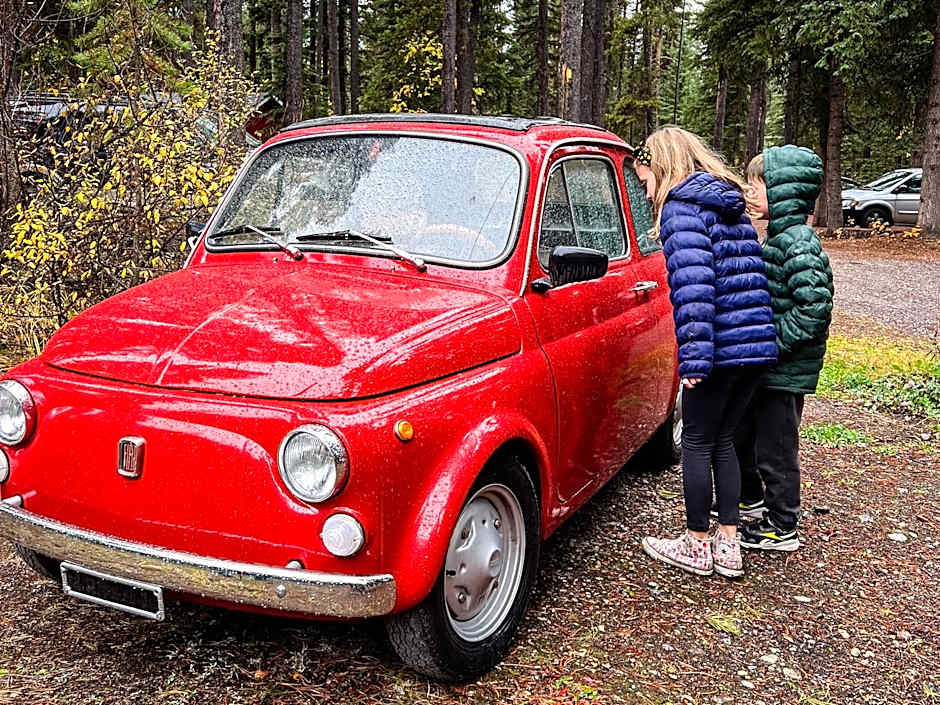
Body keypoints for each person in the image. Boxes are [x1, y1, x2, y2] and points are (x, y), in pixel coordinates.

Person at [634, 126, 778, 578]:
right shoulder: (728, 205)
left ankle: (697, 543)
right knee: (724, 442)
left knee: (696, 440)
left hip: (718, 348)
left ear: (662, 166)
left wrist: (694, 358)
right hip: (755, 348)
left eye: (645, 181)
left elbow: (695, 289)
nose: (647, 192)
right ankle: (728, 545)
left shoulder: (682, 209)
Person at [734, 146, 834, 551]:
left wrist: (771, 340)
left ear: (783, 191)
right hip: (769, 366)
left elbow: (815, 308)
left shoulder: (798, 243)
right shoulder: (779, 236)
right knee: (748, 434)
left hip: (784, 368)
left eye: (758, 185)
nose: (750, 192)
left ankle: (782, 525)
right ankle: (754, 501)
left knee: (776, 447)